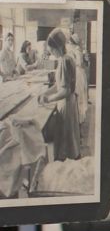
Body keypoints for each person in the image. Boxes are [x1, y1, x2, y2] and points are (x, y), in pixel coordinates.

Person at [39, 29, 80, 162]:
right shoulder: (67, 58)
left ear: (57, 47)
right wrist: (46, 92)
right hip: (69, 102)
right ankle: (69, 162)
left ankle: (66, 168)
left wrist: (48, 99)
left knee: (66, 140)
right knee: (69, 138)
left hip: (66, 103)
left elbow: (65, 90)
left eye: (51, 49)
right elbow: (59, 84)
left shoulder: (64, 61)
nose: (50, 52)